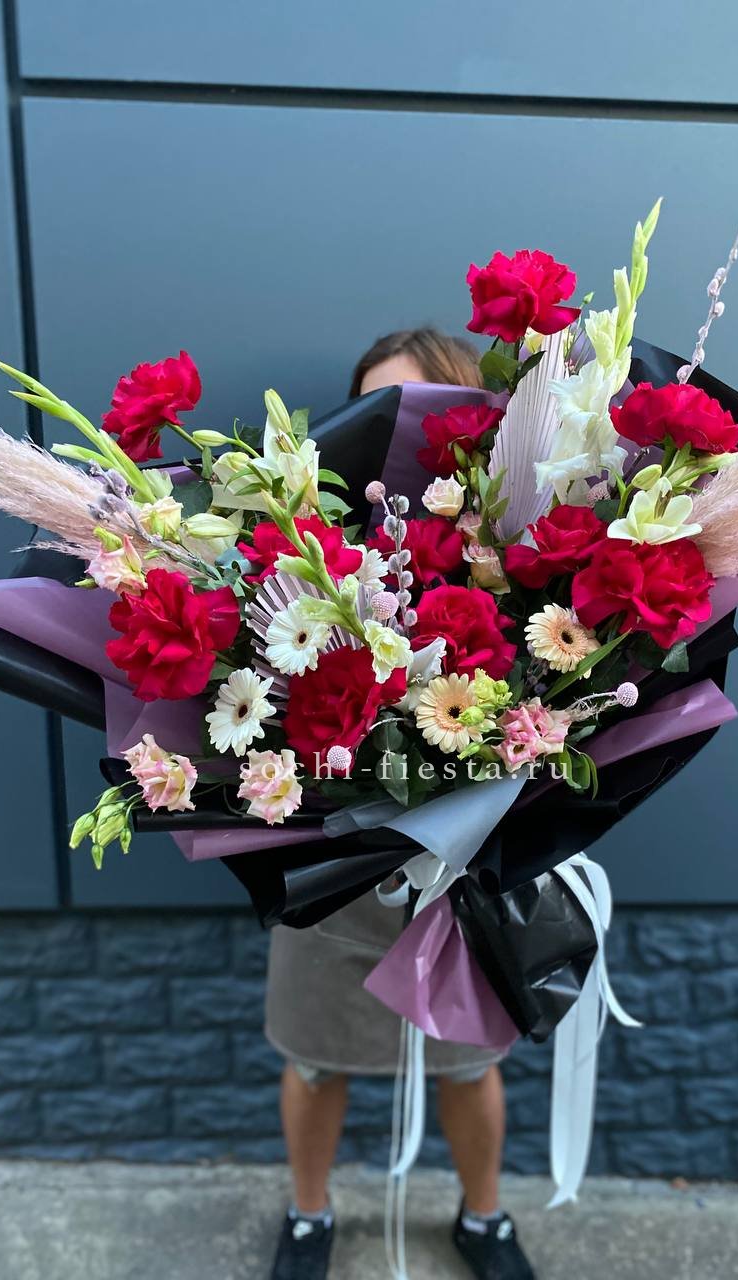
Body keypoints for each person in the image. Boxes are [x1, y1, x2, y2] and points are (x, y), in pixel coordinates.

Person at [266, 328, 537, 1280]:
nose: (393, 431)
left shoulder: (515, 545)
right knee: (313, 1058)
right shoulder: (313, 544)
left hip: (458, 866)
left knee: (469, 1060)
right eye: (372, 408)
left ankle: (484, 1218)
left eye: (416, 408)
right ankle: (308, 1216)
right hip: (336, 858)